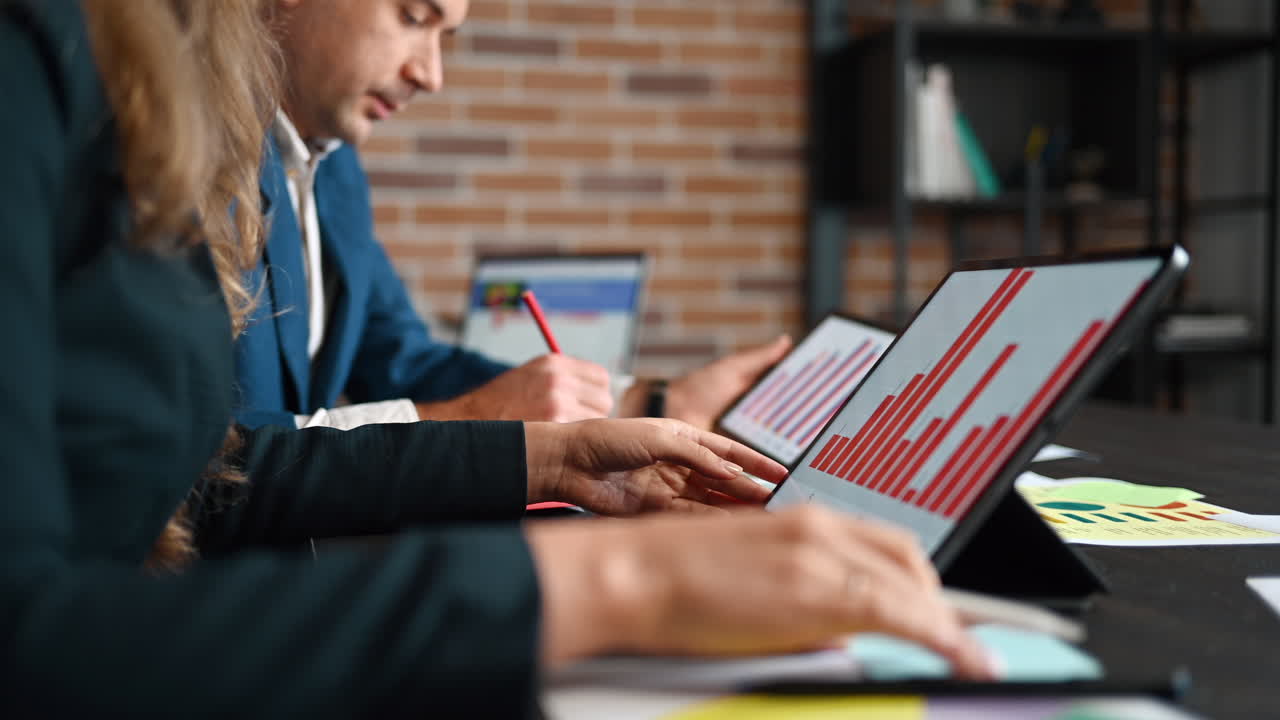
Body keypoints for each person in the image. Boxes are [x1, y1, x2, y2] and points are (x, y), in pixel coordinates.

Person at [0, 0, 993, 715]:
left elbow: (207, 477)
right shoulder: (45, 60)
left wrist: (563, 455)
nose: (432, 71)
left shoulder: (185, 101)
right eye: (414, 15)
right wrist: (615, 586)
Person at [235, 0, 793, 431]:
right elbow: (208, 460)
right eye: (412, 17)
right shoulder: (182, 166)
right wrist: (465, 419)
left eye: (444, 36)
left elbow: (406, 362)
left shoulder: (336, 172)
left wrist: (654, 402)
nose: (431, 74)